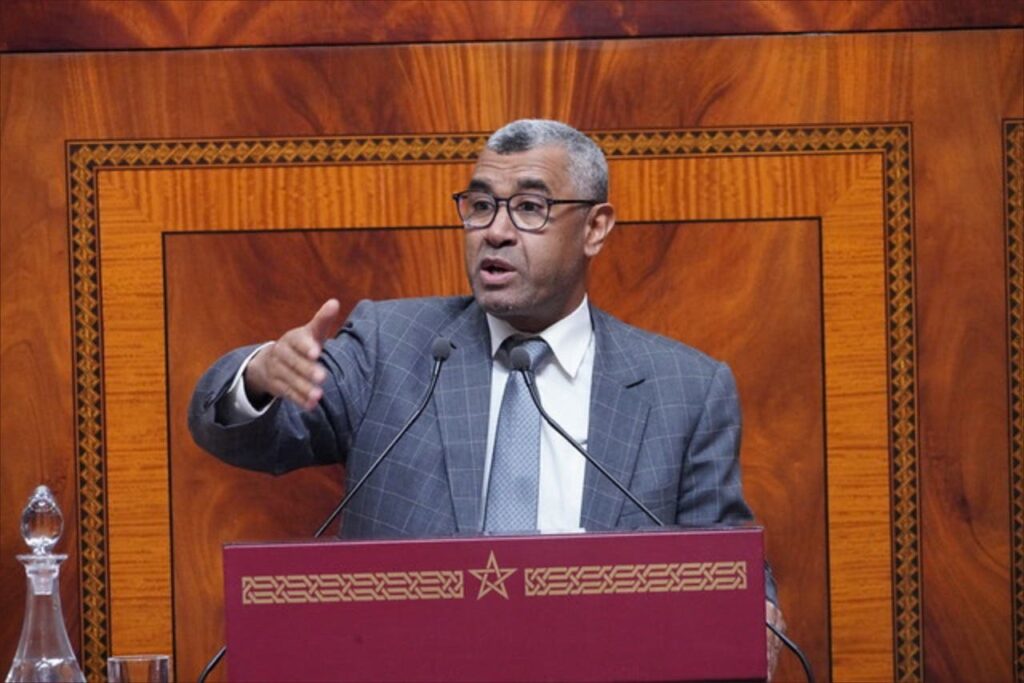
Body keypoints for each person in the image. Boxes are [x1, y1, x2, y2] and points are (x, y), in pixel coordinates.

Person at [188, 118, 785, 676]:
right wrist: (259, 377)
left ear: (595, 228)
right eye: (480, 206)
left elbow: (723, 561)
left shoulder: (685, 390)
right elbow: (247, 436)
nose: (495, 232)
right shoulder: (390, 347)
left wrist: (752, 611)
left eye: (529, 208)